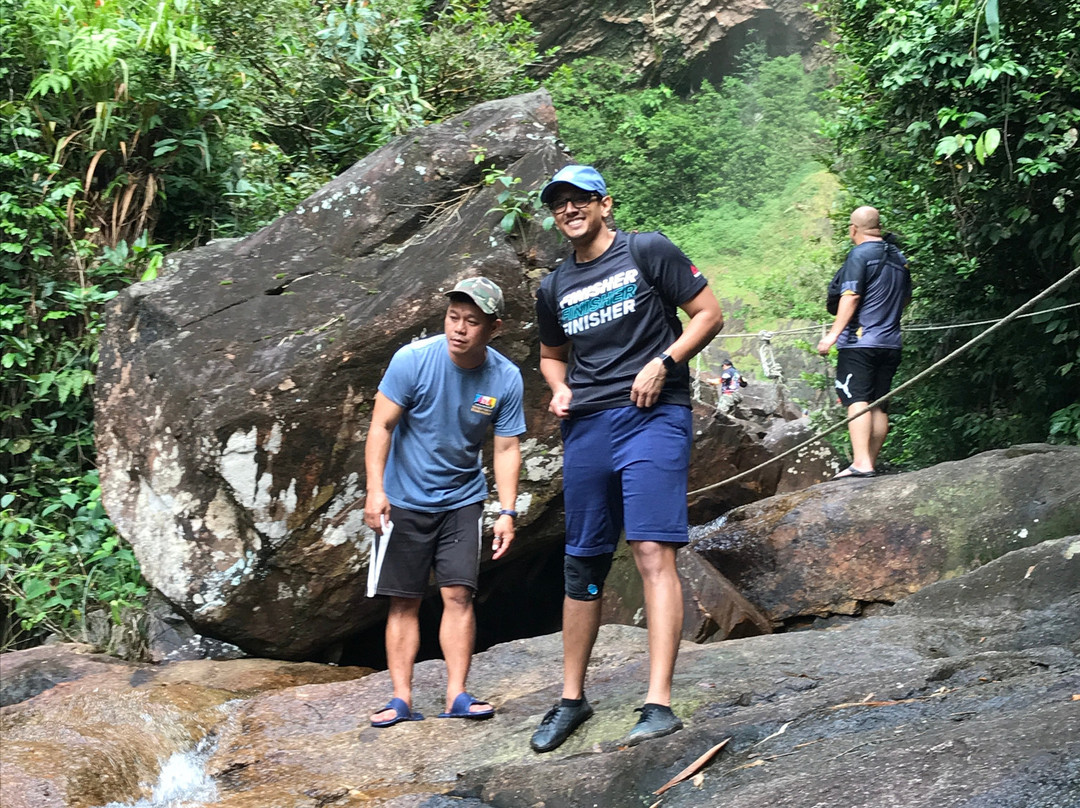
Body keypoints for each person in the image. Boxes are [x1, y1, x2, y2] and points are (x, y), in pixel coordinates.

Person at [531, 165, 724, 751]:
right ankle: (572, 699)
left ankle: (658, 703)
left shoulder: (648, 251)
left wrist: (664, 363)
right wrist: (559, 388)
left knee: (650, 550)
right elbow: (551, 355)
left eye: (580, 199)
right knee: (583, 562)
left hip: (653, 416)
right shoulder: (554, 287)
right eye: (559, 203)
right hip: (587, 426)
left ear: (605, 204)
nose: (569, 210)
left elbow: (709, 314)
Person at [364, 277, 526, 727]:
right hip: (404, 497)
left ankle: (457, 694)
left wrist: (507, 511)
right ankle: (401, 698)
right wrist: (376, 490)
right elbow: (381, 426)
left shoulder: (504, 377)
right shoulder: (413, 360)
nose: (459, 328)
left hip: (462, 499)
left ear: (494, 328)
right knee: (403, 600)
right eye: (453, 317)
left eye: (471, 321)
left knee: (458, 594)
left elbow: (506, 448)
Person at [817, 206, 911, 478]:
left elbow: (851, 295)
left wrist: (832, 335)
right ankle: (869, 461)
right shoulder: (899, 257)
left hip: (860, 343)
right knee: (878, 404)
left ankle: (861, 463)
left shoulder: (860, 254)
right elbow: (906, 298)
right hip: (891, 343)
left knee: (857, 399)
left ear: (853, 229)